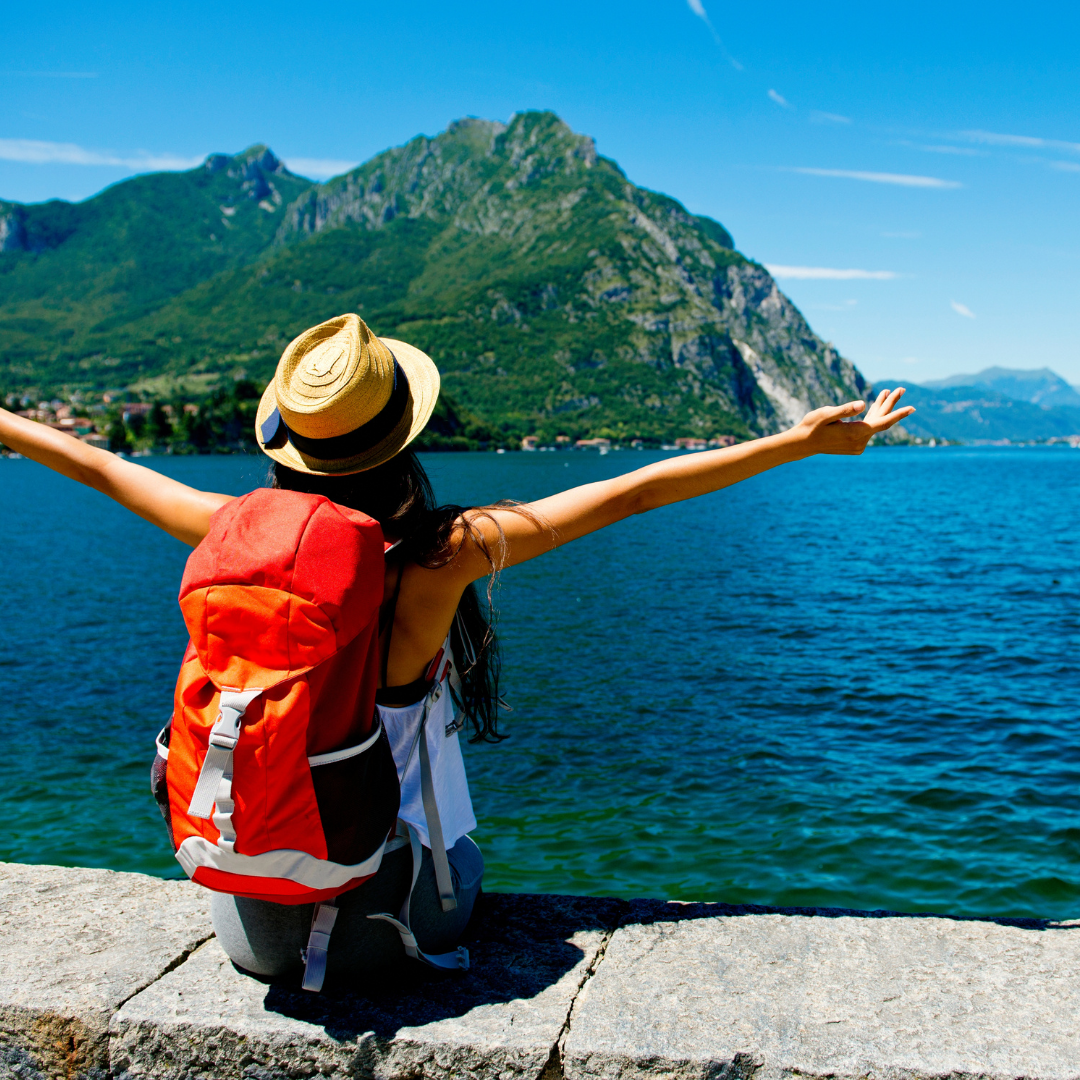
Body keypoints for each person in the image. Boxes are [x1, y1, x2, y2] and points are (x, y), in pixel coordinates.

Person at [0, 313, 913, 981]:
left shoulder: (227, 530)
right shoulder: (442, 558)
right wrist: (796, 446)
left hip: (253, 927)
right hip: (392, 920)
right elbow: (635, 493)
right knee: (465, 856)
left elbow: (97, 465)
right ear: (402, 439)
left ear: (288, 444)